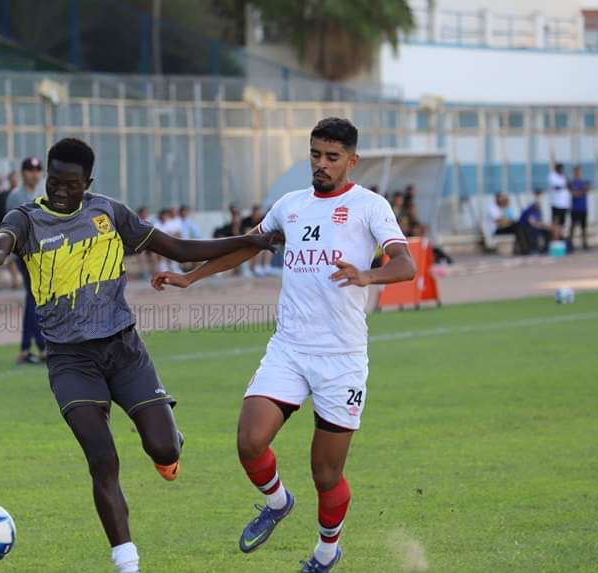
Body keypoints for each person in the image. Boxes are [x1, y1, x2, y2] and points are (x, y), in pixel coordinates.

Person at [0, 138, 280, 573]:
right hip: (70, 361)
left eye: (71, 184)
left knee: (163, 446)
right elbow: (4, 241)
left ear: (88, 183)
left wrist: (251, 240)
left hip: (124, 351)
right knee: (102, 458)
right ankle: (127, 562)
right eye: (54, 181)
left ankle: (169, 441)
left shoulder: (110, 214)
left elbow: (179, 248)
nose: (60, 191)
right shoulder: (26, 219)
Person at [152, 118, 416, 573]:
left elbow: (406, 263)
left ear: (352, 161)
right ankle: (277, 502)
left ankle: (326, 552)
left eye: (332, 157)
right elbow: (251, 246)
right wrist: (191, 278)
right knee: (250, 442)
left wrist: (368, 274)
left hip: (342, 360)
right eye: (315, 155)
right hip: (289, 348)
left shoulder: (370, 206)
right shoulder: (290, 206)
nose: (321, 164)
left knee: (325, 474)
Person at [6, 158, 48, 364]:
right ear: (23, 173)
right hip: (26, 253)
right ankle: (41, 347)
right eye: (30, 170)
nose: (34, 173)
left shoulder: (45, 192)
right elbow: (13, 226)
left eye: (37, 170)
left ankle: (26, 348)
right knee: (35, 298)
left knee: (34, 298)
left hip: (45, 253)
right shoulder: (16, 196)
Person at [519, 189, 558, 254]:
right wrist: (542, 226)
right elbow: (531, 222)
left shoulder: (538, 210)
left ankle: (545, 248)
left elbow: (540, 221)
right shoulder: (530, 209)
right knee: (534, 232)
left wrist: (548, 226)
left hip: (535, 227)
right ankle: (533, 249)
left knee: (548, 231)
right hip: (525, 227)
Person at [243, 205, 272, 276]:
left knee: (268, 249)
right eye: (256, 214)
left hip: (260, 241)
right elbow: (246, 234)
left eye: (259, 214)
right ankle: (257, 267)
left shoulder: (263, 220)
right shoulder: (246, 221)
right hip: (249, 242)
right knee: (259, 249)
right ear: (253, 213)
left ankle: (266, 266)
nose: (258, 216)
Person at [569, 166, 591, 251]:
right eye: (576, 172)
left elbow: (587, 189)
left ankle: (585, 243)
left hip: (583, 208)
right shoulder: (572, 183)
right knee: (573, 227)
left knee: (584, 227)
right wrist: (581, 191)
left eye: (579, 172)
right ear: (574, 173)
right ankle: (570, 244)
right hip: (575, 209)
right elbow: (574, 194)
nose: (577, 174)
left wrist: (580, 191)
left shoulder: (583, 182)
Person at [548, 163, 570, 229]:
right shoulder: (552, 176)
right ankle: (555, 238)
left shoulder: (563, 176)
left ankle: (560, 237)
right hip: (556, 204)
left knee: (562, 223)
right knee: (555, 223)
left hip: (564, 205)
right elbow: (556, 187)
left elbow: (568, 185)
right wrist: (564, 185)